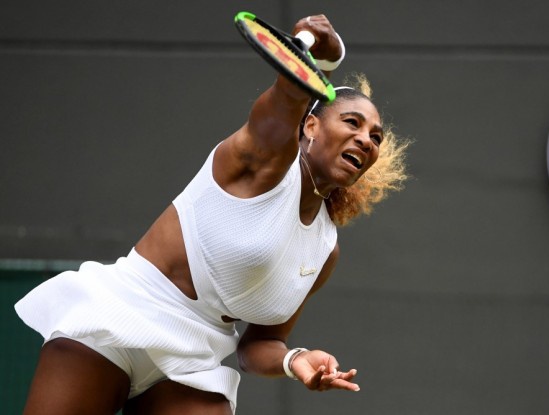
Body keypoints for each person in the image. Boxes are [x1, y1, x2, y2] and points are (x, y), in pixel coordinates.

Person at [15, 14, 409, 415]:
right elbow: (286, 98)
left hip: (194, 361)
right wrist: (319, 62)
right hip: (121, 316)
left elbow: (259, 345)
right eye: (352, 122)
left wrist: (295, 360)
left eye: (375, 137)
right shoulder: (265, 160)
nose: (366, 139)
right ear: (310, 126)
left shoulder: (325, 250)